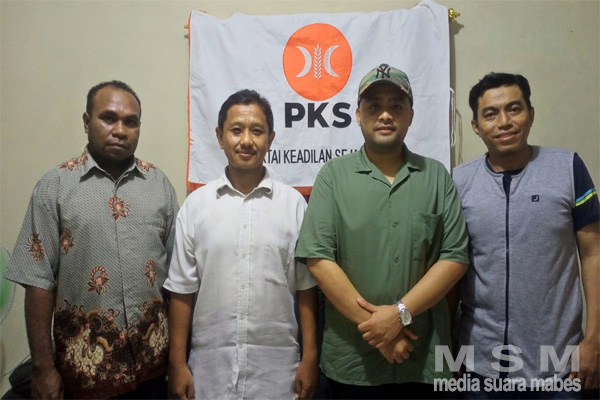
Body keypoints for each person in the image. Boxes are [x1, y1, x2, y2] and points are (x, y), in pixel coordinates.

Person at [295, 63, 469, 399]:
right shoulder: (333, 176)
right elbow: (318, 258)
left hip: (424, 359)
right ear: (358, 115)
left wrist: (399, 315)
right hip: (353, 361)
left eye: (396, 106)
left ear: (410, 116)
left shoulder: (436, 177)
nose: (385, 115)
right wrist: (380, 331)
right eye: (374, 106)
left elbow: (455, 258)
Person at [5, 80, 179, 399]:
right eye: (108, 118)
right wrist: (43, 368)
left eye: (131, 122)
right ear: (87, 122)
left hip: (153, 370)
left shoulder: (159, 185)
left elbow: (177, 279)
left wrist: (178, 360)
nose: (120, 130)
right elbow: (38, 282)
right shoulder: (55, 187)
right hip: (84, 374)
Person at [164, 89, 319, 400]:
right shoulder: (196, 207)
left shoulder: (294, 206)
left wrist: (310, 358)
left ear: (270, 139)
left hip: (278, 374)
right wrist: (177, 363)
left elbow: (306, 288)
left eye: (257, 131)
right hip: (209, 373)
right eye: (236, 130)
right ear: (220, 137)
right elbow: (182, 290)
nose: (246, 140)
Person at [453, 72, 599, 398]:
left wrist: (594, 340)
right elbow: (452, 267)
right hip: (480, 366)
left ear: (530, 114)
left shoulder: (568, 168)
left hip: (558, 365)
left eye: (514, 109)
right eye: (491, 114)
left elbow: (594, 255)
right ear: (476, 126)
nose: (504, 122)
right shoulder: (459, 182)